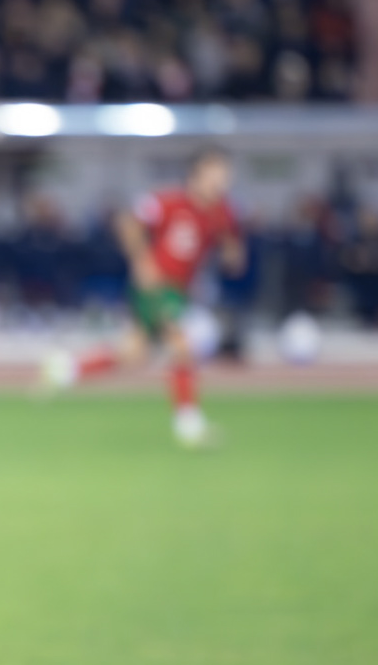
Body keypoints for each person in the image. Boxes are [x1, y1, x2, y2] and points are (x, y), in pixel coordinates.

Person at [44, 148, 245, 447]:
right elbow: (128, 222)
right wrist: (142, 260)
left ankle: (67, 370)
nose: (222, 181)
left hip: (180, 292)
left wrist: (232, 253)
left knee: (134, 353)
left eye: (225, 175)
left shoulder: (221, 212)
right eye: (216, 174)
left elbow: (231, 247)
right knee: (182, 344)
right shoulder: (169, 201)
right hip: (156, 286)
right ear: (197, 174)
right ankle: (188, 424)